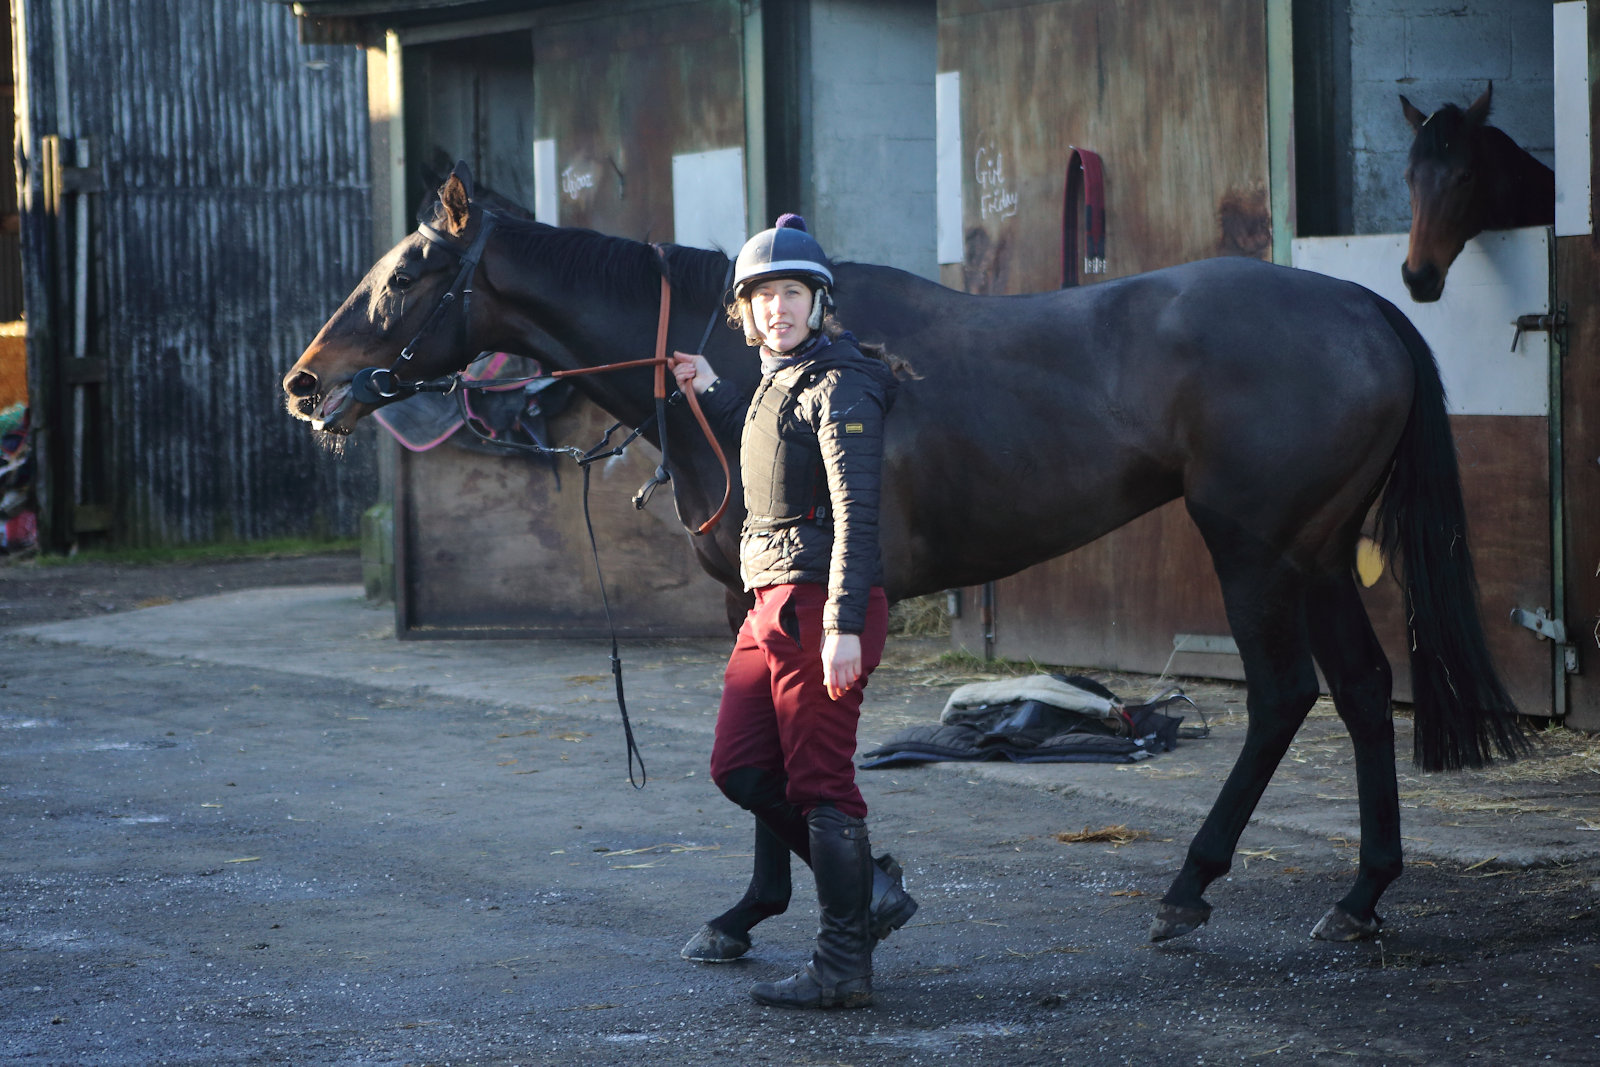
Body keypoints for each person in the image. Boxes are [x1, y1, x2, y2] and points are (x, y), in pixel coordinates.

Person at [672, 214, 916, 1009]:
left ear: (819, 303)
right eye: (763, 295)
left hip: (818, 606)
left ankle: (842, 967)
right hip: (767, 603)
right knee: (740, 766)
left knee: (821, 782)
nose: (777, 307)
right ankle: (871, 887)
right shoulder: (783, 380)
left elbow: (857, 514)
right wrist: (708, 386)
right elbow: (767, 429)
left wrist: (843, 625)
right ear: (745, 310)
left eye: (792, 293)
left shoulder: (843, 384)